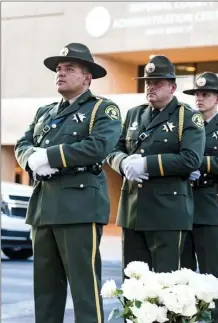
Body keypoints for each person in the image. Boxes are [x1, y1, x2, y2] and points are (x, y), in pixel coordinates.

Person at [14, 43, 122, 323]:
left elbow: (99, 146)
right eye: (59, 69)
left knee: (84, 290)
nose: (60, 73)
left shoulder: (102, 109)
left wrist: (49, 157)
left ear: (87, 78)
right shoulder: (44, 112)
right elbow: (22, 143)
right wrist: (31, 159)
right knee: (46, 292)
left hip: (80, 206)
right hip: (44, 207)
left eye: (69, 69)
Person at [106, 55, 205, 273]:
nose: (150, 87)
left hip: (167, 214)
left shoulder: (187, 117)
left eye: (157, 82)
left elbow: (191, 158)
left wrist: (146, 165)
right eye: (148, 82)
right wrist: (122, 163)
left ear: (172, 87)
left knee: (167, 284)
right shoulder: (134, 113)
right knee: (134, 283)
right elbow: (113, 149)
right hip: (133, 211)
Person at [179, 72, 218, 323]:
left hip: (209, 204)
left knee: (212, 274)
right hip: (182, 204)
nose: (200, 98)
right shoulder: (185, 123)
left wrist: (201, 163)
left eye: (206, 94)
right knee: (183, 273)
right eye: (197, 94)